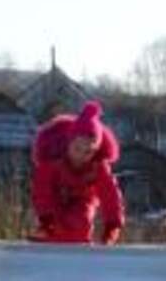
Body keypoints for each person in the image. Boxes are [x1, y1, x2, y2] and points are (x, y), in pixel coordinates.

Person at [31, 100, 125, 244]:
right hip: (55, 196)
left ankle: (77, 253)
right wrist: (45, 216)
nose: (81, 155)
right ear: (69, 143)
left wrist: (112, 224)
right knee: (54, 224)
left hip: (83, 198)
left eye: (88, 152)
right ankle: (47, 241)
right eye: (77, 149)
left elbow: (110, 195)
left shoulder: (98, 166)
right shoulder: (53, 159)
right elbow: (42, 190)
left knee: (81, 222)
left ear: (95, 152)